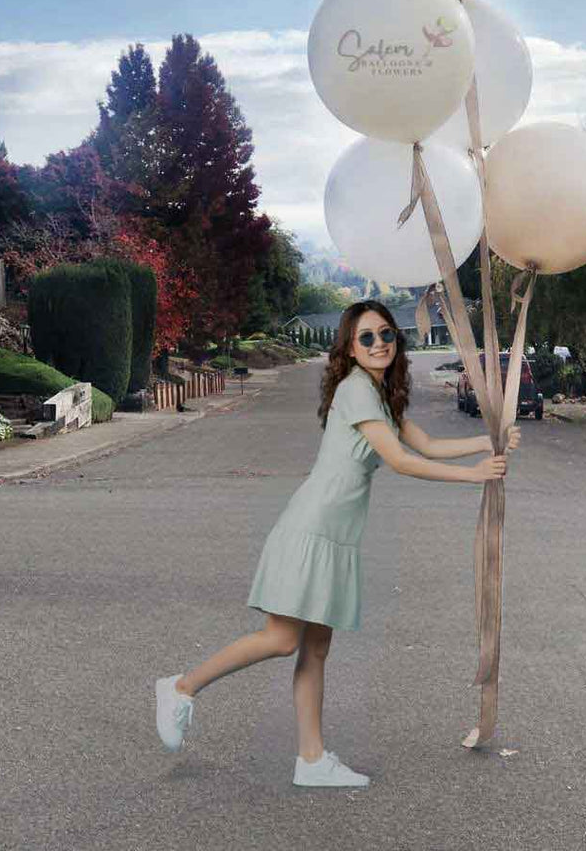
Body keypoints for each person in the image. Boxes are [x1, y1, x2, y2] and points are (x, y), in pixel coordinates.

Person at [155, 300, 519, 787]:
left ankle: (311, 759)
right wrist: (474, 476)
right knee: (282, 640)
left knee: (316, 650)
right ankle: (181, 687)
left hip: (337, 536)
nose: (379, 344)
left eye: (386, 334)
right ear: (349, 347)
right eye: (366, 337)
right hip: (314, 528)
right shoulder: (355, 390)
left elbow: (426, 444)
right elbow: (400, 461)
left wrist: (487, 440)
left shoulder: (381, 393)